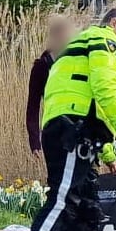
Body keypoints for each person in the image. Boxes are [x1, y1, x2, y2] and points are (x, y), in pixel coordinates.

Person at [10, 7, 116, 231]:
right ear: (114, 23)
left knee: (84, 204)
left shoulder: (82, 45)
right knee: (63, 198)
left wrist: (107, 152)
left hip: (72, 127)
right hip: (73, 130)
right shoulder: (104, 41)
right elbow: (105, 90)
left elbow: (91, 102)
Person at [26, 15, 77, 157]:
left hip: (78, 128)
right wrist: (35, 140)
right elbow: (33, 105)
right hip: (54, 129)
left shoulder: (77, 61)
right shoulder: (42, 66)